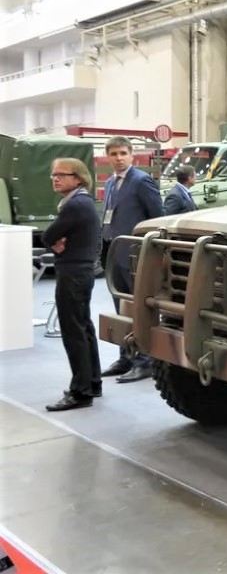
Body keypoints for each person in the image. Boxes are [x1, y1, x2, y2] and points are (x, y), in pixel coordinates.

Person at [99, 136, 164, 383]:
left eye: (123, 153)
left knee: (138, 309)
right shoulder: (110, 183)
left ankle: (144, 361)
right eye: (114, 154)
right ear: (108, 157)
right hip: (114, 255)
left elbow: (158, 218)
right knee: (121, 308)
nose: (118, 158)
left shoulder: (141, 181)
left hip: (136, 256)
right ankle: (126, 356)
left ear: (131, 155)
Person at [42, 158, 102, 411]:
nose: (55, 179)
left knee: (73, 332)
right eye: (53, 175)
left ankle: (80, 392)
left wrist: (54, 241)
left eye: (61, 174)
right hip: (81, 272)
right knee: (83, 327)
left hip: (73, 273)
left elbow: (48, 235)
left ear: (78, 178)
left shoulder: (74, 205)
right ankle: (92, 383)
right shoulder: (83, 202)